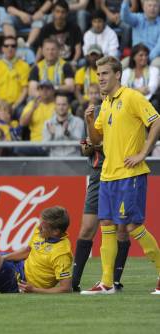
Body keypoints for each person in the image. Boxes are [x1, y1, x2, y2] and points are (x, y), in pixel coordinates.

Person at [81, 56, 160, 295]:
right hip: (107, 174)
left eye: (105, 73)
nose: (100, 78)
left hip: (130, 173)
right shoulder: (105, 103)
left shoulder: (132, 97)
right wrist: (89, 121)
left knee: (133, 225)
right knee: (106, 224)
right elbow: (96, 141)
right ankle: (106, 283)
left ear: (117, 75)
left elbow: (156, 122)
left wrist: (143, 153)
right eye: (98, 74)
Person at [72, 99, 130, 292]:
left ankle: (113, 281)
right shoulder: (93, 114)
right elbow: (85, 149)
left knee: (121, 229)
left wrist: (99, 143)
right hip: (98, 175)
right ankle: (73, 282)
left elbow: (121, 144)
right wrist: (95, 144)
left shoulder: (124, 108)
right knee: (87, 229)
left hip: (121, 173)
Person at [0, 35, 30, 119]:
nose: (10, 48)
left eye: (13, 46)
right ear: (2, 48)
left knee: (23, 114)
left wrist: (14, 106)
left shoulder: (24, 66)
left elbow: (25, 90)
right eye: (6, 46)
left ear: (16, 48)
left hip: (17, 104)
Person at [33, 0, 83, 65]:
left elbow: (78, 50)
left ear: (67, 13)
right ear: (53, 12)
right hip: (50, 63)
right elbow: (40, 49)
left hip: (69, 62)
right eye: (57, 11)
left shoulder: (74, 28)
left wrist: (74, 62)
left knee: (82, 62)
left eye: (63, 12)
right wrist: (35, 63)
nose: (60, 15)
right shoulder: (46, 29)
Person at [42, 92, 84, 157]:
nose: (61, 107)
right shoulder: (48, 123)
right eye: (58, 104)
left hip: (73, 161)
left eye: (64, 104)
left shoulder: (78, 121)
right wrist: (52, 135)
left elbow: (83, 145)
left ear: (69, 105)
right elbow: (44, 148)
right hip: (55, 162)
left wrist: (69, 134)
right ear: (55, 106)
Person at [120, 0, 160, 68]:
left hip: (153, 57)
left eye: (155, 6)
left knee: (157, 64)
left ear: (159, 8)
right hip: (135, 56)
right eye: (150, 5)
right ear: (143, 7)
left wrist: (146, 58)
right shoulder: (137, 18)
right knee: (119, 67)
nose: (152, 8)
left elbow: (159, 46)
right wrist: (126, 2)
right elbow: (124, 17)